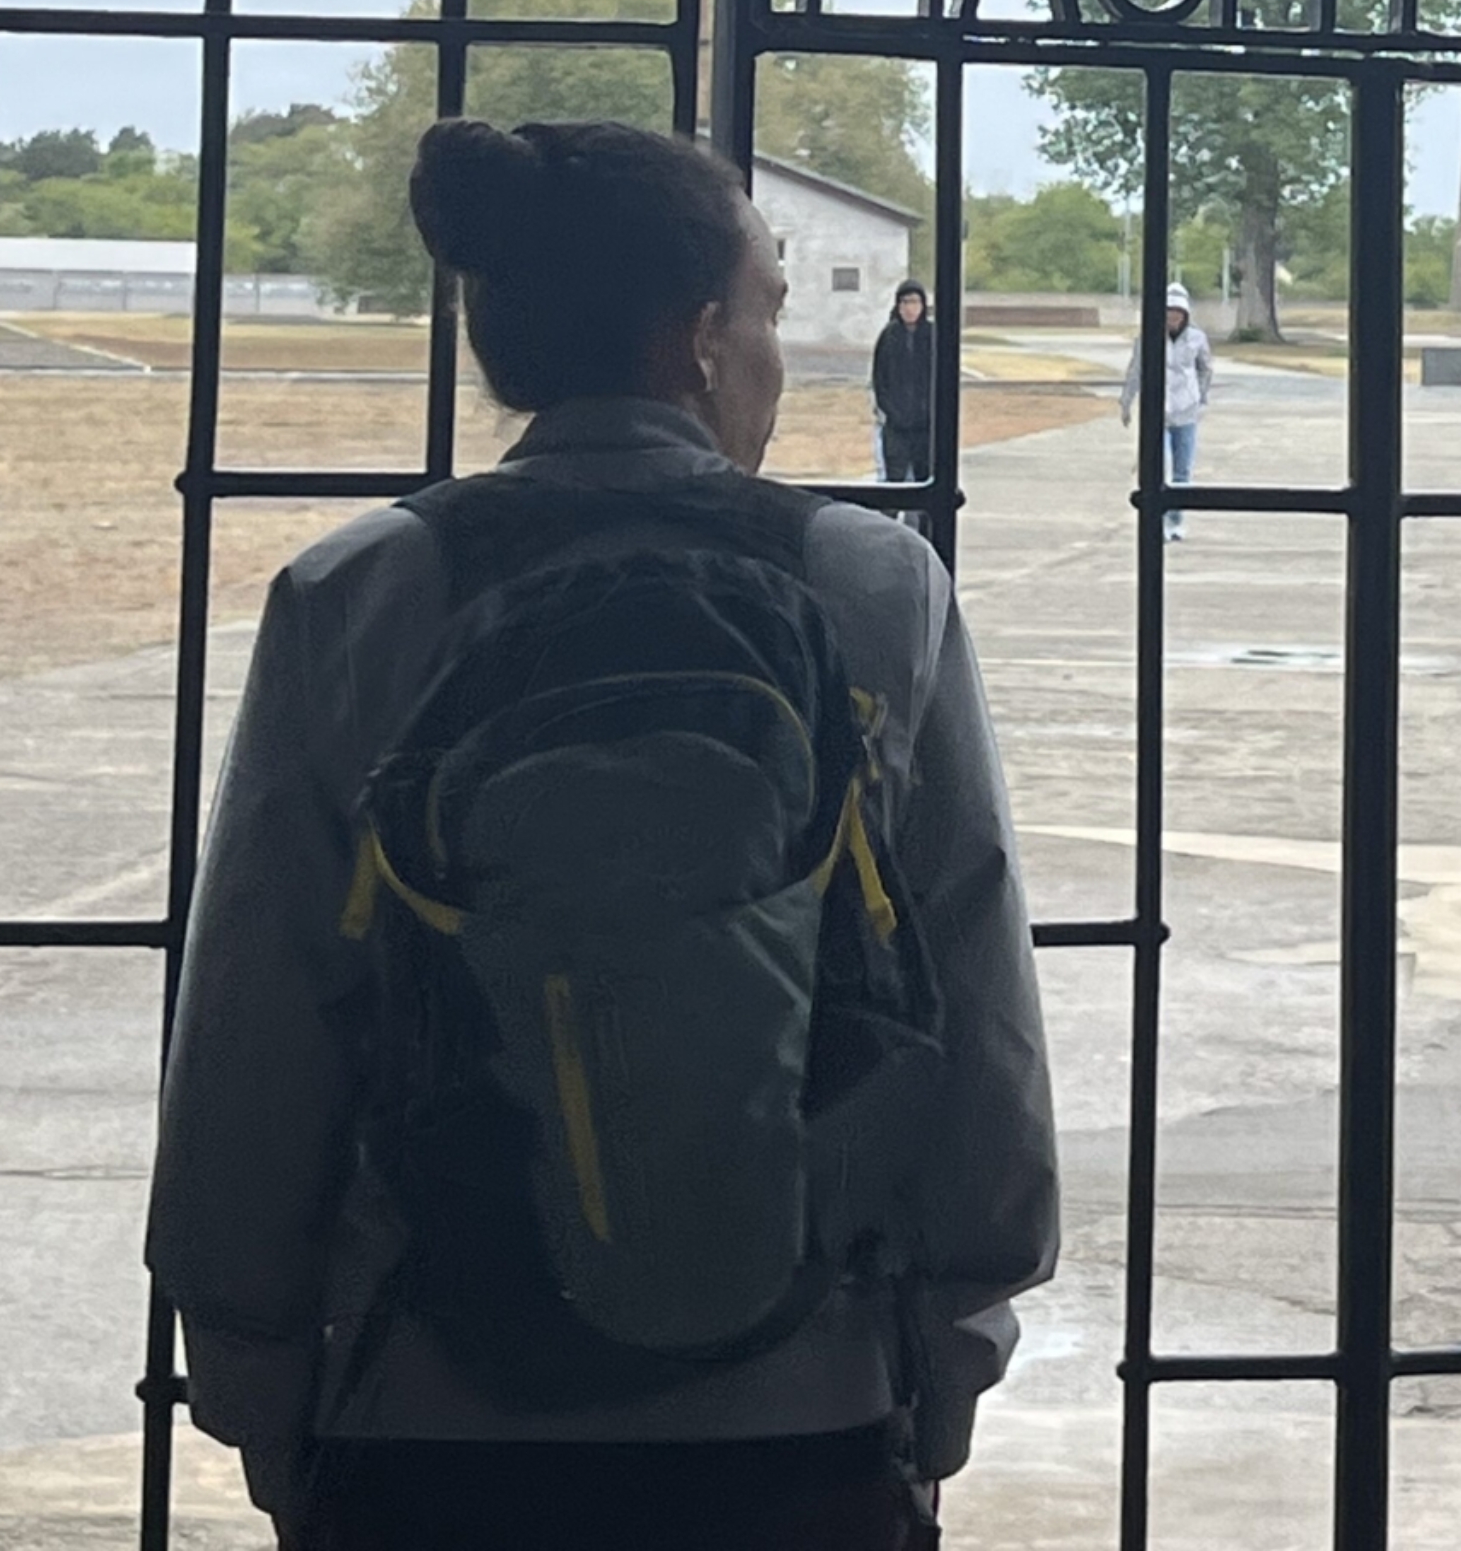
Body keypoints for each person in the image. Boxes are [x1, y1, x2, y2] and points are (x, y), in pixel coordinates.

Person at [149, 119, 1057, 1551]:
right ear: (699, 341)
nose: (773, 352)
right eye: (765, 310)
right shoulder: (872, 581)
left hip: (427, 1385)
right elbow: (974, 991)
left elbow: (261, 1018)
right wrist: (949, 1351)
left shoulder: (358, 592)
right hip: (802, 1386)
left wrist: (259, 1375)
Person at [1120, 282, 1213, 541]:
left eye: (1178, 312)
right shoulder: (1148, 336)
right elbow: (1136, 370)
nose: (1173, 317)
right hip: (1156, 411)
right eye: (1169, 311)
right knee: (1156, 468)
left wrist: (1201, 396)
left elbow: (1205, 368)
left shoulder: (1196, 338)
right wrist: (1126, 401)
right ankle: (1157, 520)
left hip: (1186, 411)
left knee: (1182, 470)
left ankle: (1176, 522)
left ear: (1185, 314)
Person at [868, 282, 934, 494]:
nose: (909, 308)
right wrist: (891, 412)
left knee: (924, 479)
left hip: (926, 427)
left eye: (914, 302)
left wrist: (929, 412)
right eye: (904, 302)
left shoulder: (932, 336)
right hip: (896, 426)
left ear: (923, 305)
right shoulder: (889, 336)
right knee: (894, 481)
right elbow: (880, 380)